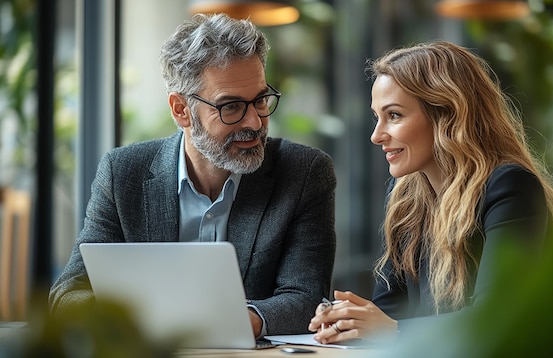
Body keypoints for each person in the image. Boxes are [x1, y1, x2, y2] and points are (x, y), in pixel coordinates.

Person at [49, 13, 337, 338]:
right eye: (230, 107)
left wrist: (235, 322)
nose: (254, 122)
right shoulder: (123, 173)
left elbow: (308, 298)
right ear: (181, 110)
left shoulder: (304, 172)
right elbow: (69, 293)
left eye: (259, 100)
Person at [308, 41, 553, 344]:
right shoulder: (406, 196)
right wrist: (348, 323)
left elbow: (498, 318)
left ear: (446, 115)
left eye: (395, 115)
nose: (377, 136)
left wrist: (390, 329)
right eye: (377, 117)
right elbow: (390, 308)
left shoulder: (510, 186)